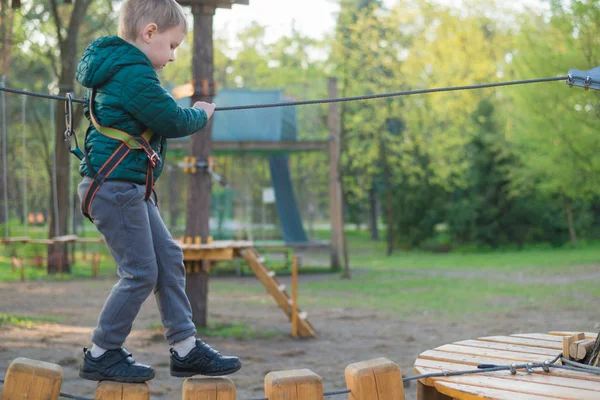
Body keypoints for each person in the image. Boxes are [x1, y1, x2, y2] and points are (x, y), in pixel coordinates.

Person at [75, 0, 241, 383]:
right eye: (172, 46)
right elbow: (170, 118)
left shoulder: (123, 69)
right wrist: (201, 113)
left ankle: (185, 348)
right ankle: (102, 352)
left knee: (168, 258)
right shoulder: (134, 72)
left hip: (128, 187)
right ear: (148, 33)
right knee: (140, 272)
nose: (173, 56)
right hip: (115, 189)